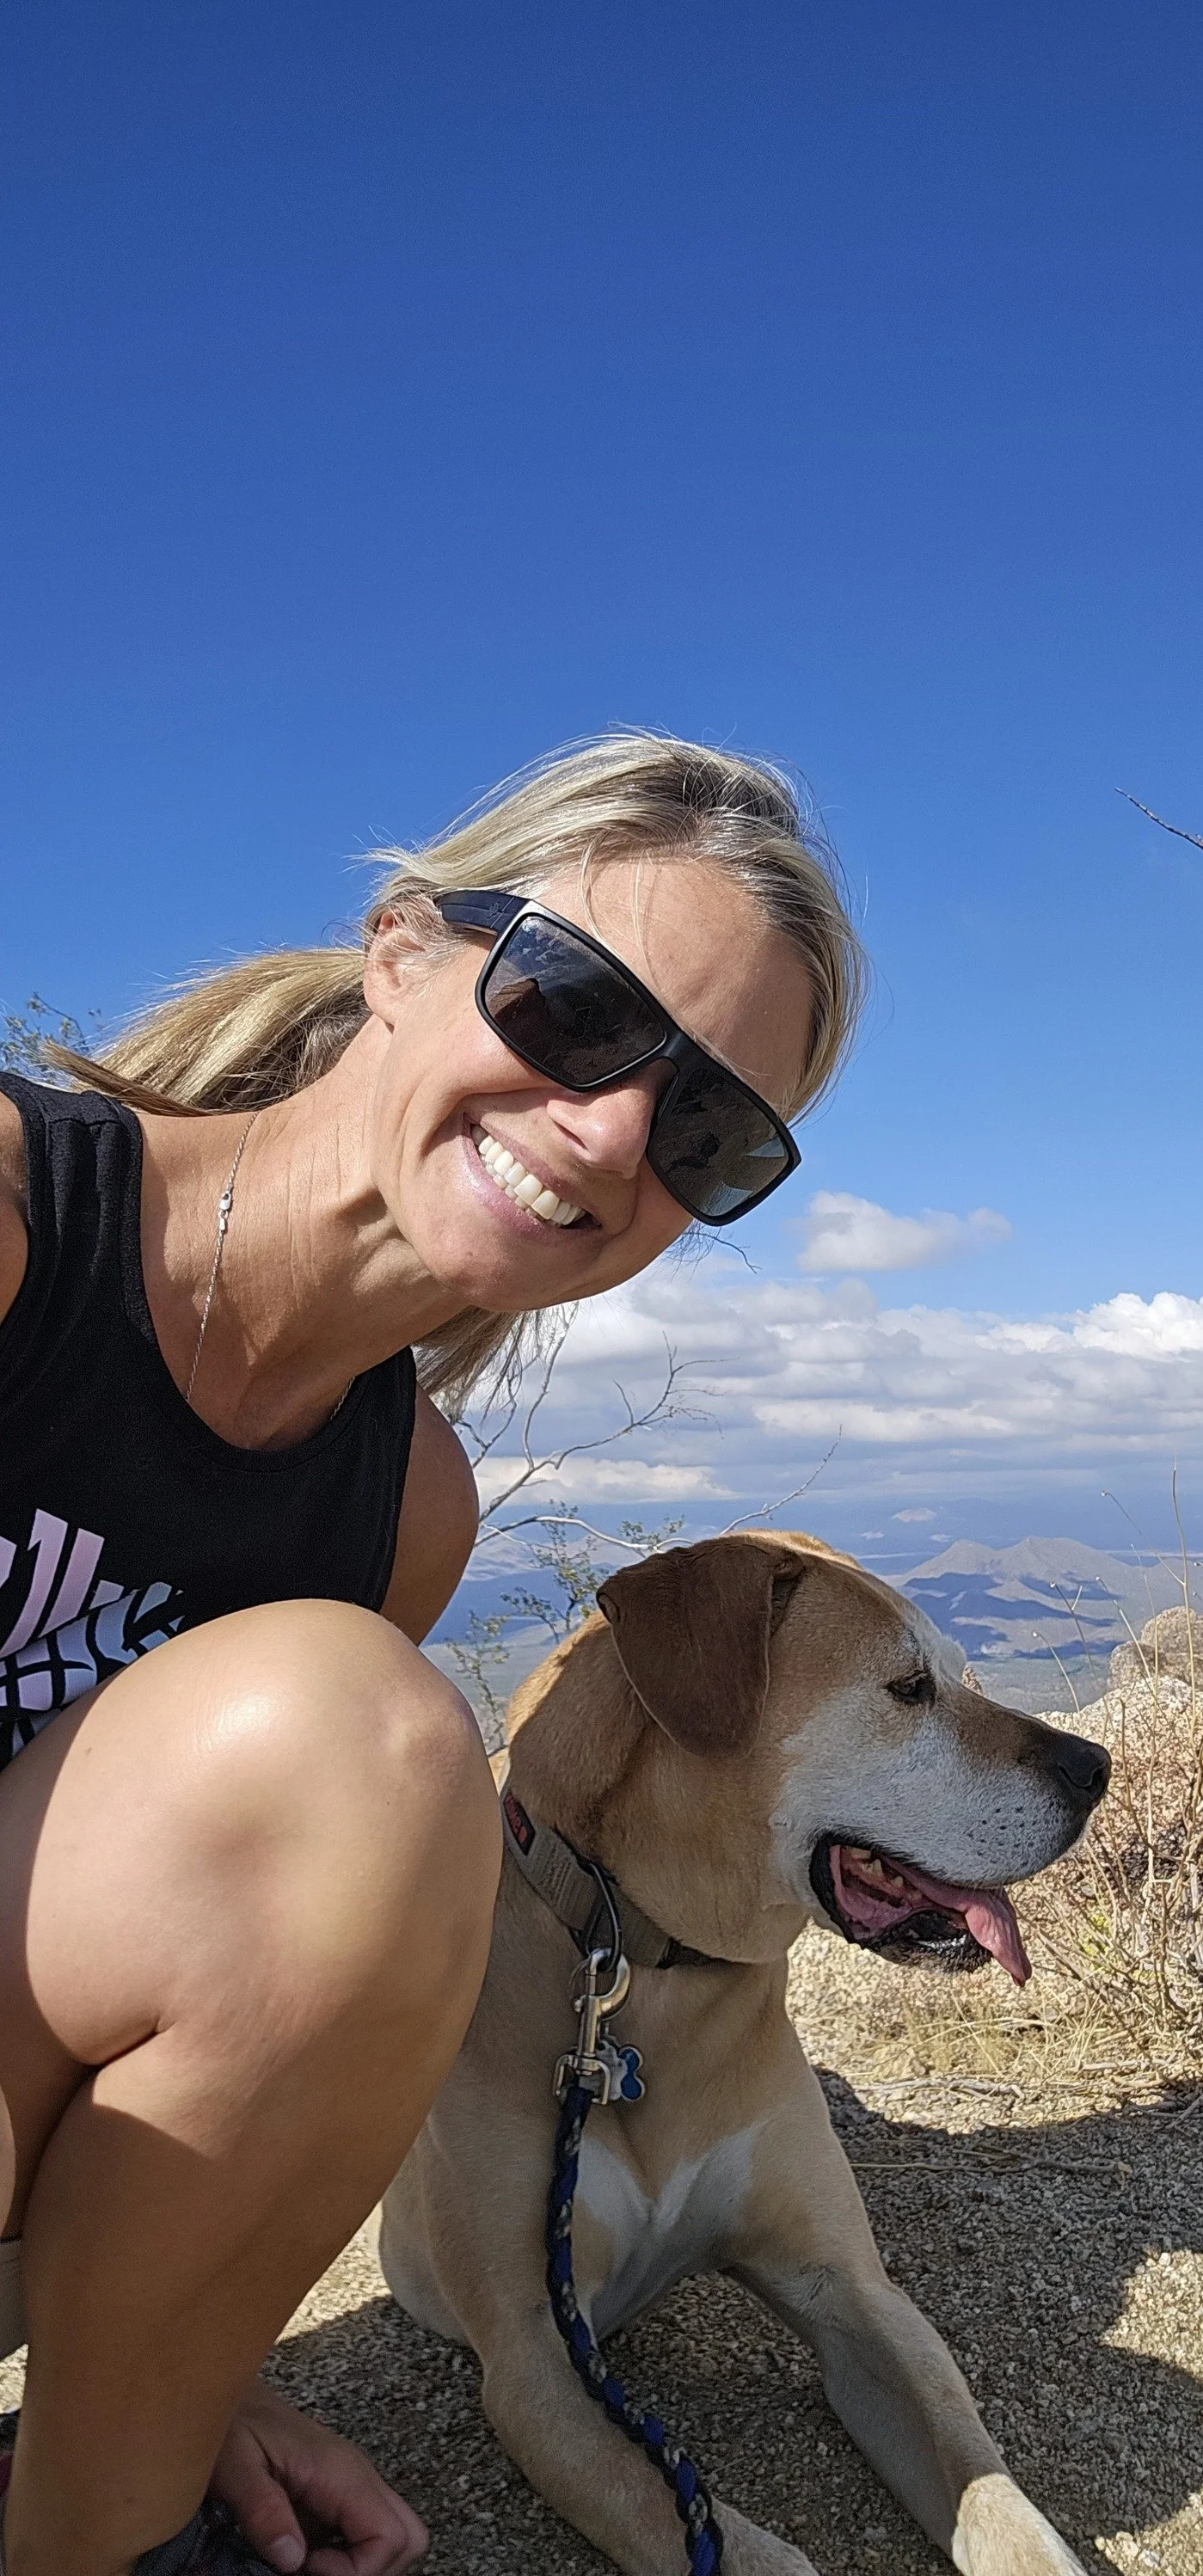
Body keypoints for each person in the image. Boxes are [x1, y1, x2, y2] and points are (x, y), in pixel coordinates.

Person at [0, 733, 865, 2576]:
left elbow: (174, 1963)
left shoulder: (406, 1512)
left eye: (710, 1131)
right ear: (401, 953)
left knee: (382, 1780)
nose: (618, 1130)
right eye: (576, 1008)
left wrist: (167, 2363)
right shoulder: (24, 1227)